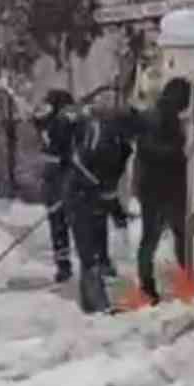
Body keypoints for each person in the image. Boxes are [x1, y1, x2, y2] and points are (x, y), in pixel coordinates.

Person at [64, 105, 138, 313]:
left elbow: (112, 179)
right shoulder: (98, 133)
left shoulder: (123, 146)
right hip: (79, 196)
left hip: (97, 200)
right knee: (89, 254)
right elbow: (78, 162)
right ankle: (95, 305)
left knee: (97, 249)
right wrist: (95, 185)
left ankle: (97, 302)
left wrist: (116, 210)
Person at [134, 77, 192, 304]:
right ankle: (148, 287)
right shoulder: (157, 117)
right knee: (155, 237)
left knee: (173, 235)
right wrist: (182, 152)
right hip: (158, 188)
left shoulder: (166, 116)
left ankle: (178, 281)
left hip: (162, 187)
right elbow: (150, 150)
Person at [33, 89, 76, 283]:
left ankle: (64, 265)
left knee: (60, 225)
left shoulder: (55, 123)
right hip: (58, 179)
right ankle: (68, 264)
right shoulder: (56, 123)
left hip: (59, 179)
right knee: (68, 224)